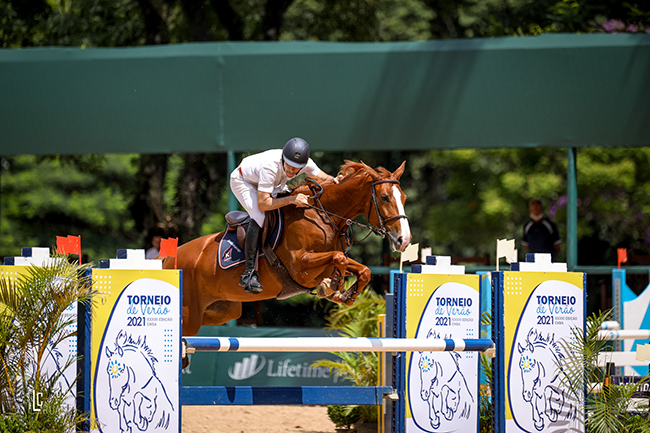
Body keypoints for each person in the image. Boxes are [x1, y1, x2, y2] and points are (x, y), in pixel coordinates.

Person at [230, 137, 339, 294]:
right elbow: (263, 204)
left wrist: (336, 180)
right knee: (260, 216)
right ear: (283, 158)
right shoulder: (270, 166)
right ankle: (248, 274)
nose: (292, 171)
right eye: (290, 165)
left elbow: (322, 177)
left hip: (271, 184)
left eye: (297, 168)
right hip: (244, 181)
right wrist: (293, 199)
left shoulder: (305, 163)